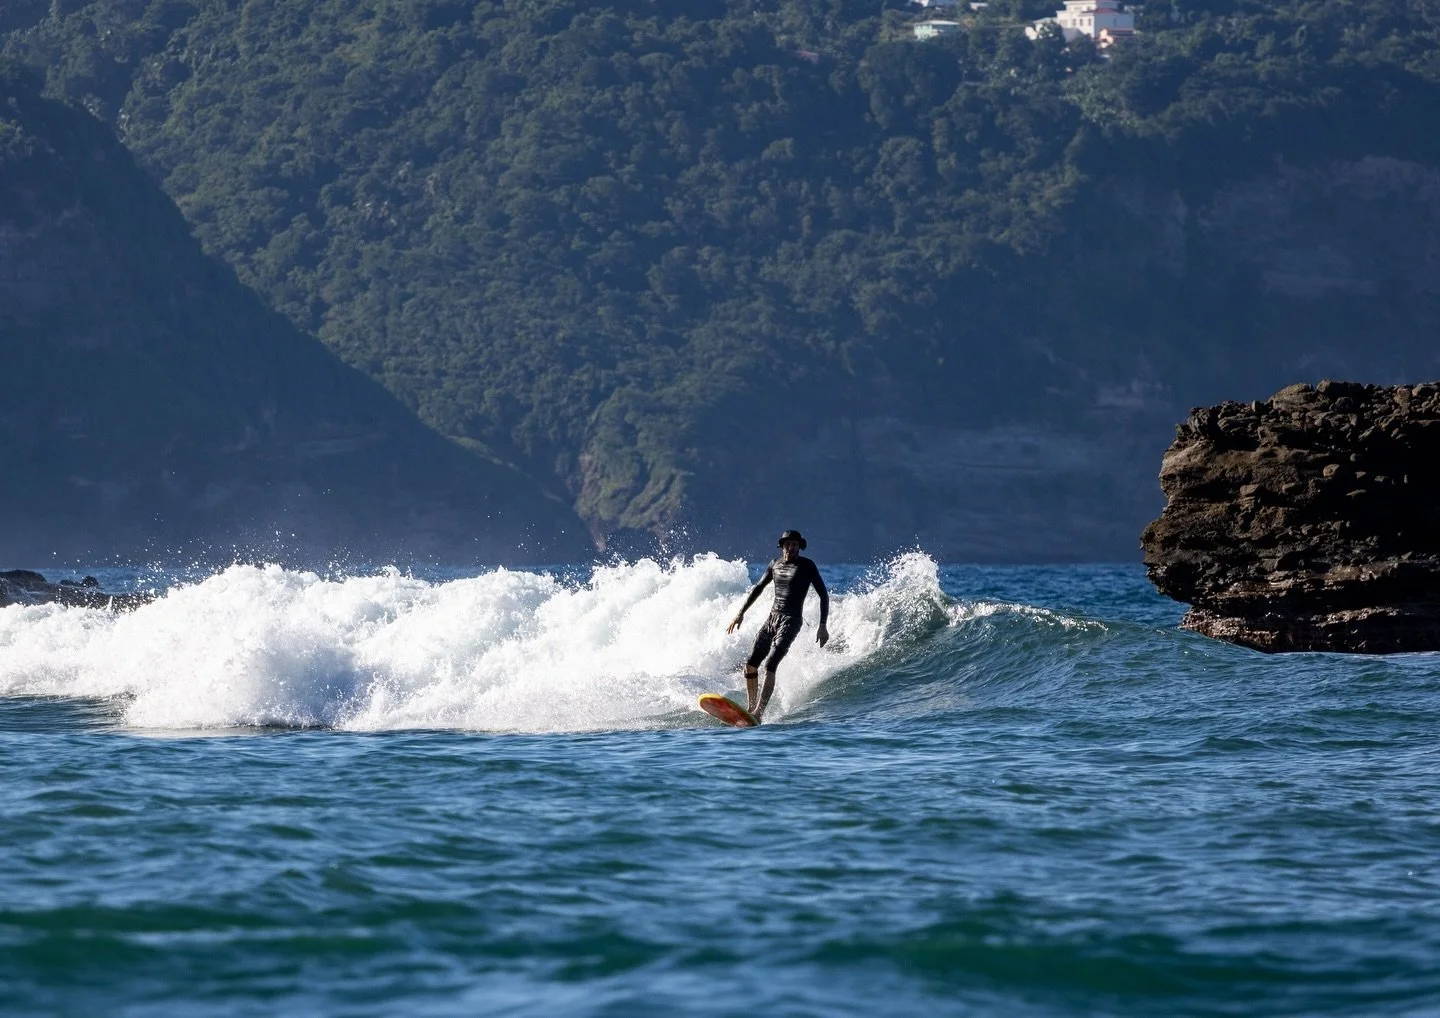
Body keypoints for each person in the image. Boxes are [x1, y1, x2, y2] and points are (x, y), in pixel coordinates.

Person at [725, 529, 829, 722]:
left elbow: (823, 594)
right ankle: (750, 708)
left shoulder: (807, 566)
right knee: (750, 664)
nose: (791, 548)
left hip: (791, 621)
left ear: (800, 547)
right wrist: (740, 613)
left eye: (795, 545)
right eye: (788, 544)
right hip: (772, 619)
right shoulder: (775, 564)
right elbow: (758, 588)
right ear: (782, 546)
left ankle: (759, 712)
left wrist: (822, 625)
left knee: (771, 664)